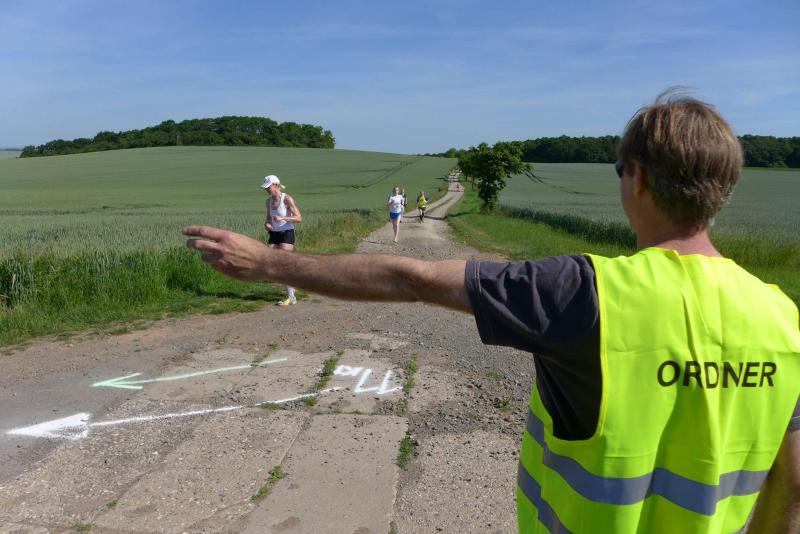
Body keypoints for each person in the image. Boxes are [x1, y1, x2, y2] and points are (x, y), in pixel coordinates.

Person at [185, 94, 800, 533]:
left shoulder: (582, 291)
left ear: (636, 178)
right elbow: (791, 490)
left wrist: (270, 264)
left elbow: (411, 278)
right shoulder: (783, 319)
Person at [262, 174, 302, 306]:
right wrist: (267, 224)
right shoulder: (268, 201)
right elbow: (269, 218)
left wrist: (284, 218)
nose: (266, 189)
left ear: (276, 185)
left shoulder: (287, 199)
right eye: (265, 187)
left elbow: (298, 218)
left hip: (287, 233)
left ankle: (291, 298)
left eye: (268, 187)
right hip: (274, 234)